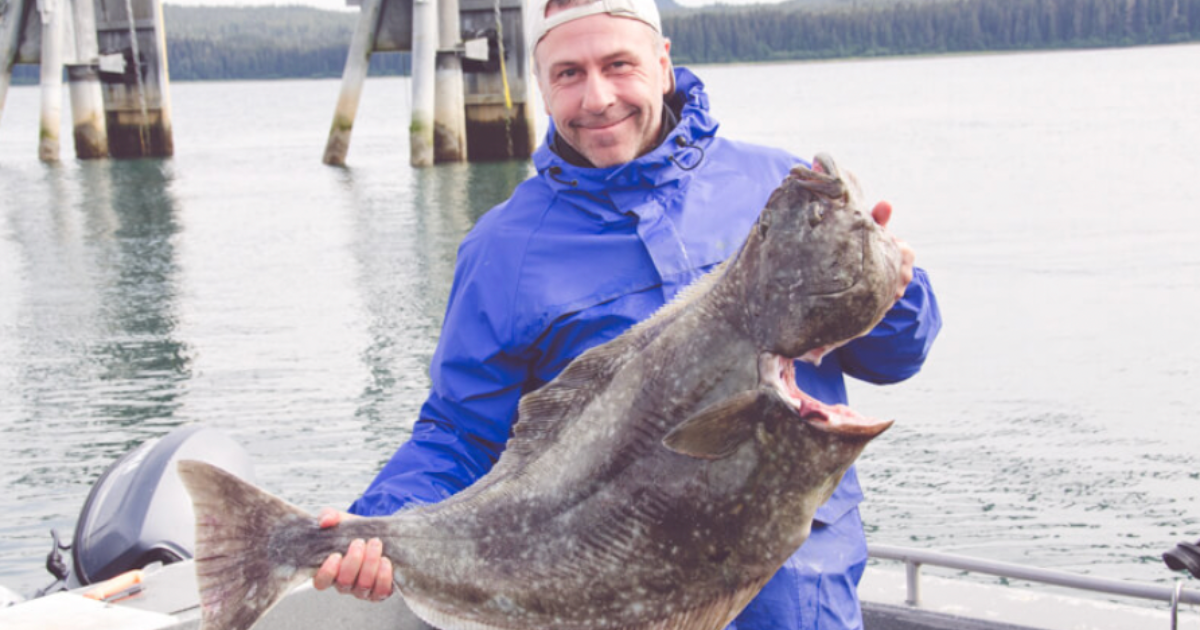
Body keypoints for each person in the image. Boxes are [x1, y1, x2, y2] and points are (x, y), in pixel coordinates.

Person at [312, 0, 942, 627]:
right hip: (613, 598)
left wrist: (890, 287)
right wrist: (379, 522)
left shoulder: (773, 184)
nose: (598, 97)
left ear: (663, 64)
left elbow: (895, 356)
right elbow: (461, 430)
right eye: (569, 74)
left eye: (619, 65)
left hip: (801, 602)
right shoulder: (503, 248)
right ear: (541, 85)